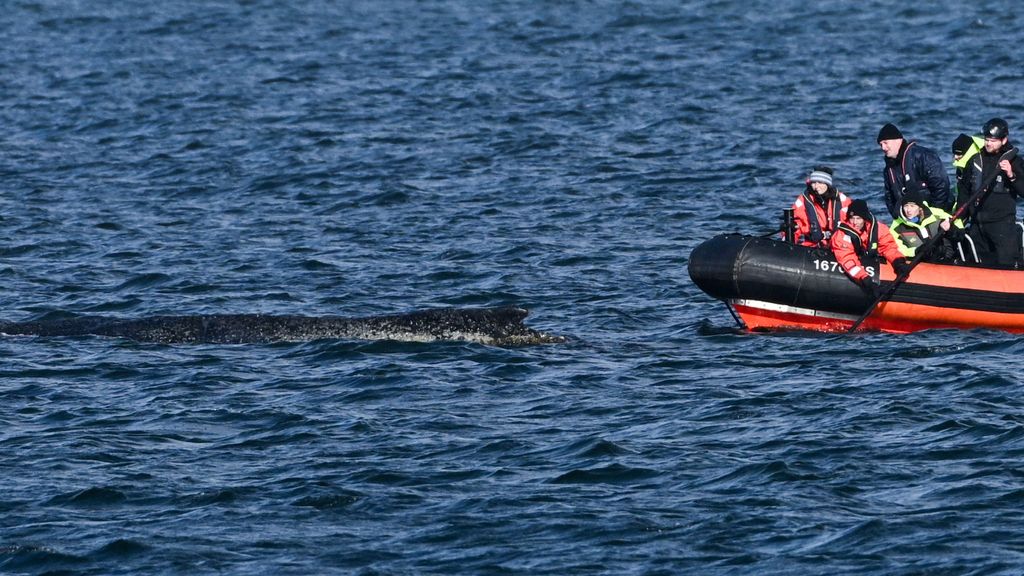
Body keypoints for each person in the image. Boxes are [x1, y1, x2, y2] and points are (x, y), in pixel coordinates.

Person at [957, 117, 1024, 268]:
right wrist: (959, 219)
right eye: (986, 139)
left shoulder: (1014, 161)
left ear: (1004, 140)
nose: (988, 143)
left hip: (1001, 224)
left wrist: (1011, 175)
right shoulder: (975, 160)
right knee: (976, 262)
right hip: (977, 224)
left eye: (993, 141)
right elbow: (964, 191)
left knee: (1006, 263)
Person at [831, 199, 910, 296]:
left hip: (870, 259)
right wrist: (867, 281)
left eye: (858, 218)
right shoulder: (841, 236)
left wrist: (899, 263)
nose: (855, 222)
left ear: (865, 218)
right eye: (852, 218)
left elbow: (888, 247)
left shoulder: (879, 229)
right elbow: (847, 260)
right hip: (854, 266)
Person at [877, 123, 952, 218]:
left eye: (885, 143)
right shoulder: (888, 169)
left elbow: (941, 185)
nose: (883, 148)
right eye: (881, 145)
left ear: (898, 140)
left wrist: (932, 214)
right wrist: (898, 217)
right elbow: (889, 198)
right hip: (908, 219)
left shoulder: (923, 156)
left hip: (935, 214)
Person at [889, 189, 964, 262]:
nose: (908, 210)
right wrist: (915, 251)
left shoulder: (936, 214)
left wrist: (951, 229)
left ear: (920, 207)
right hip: (918, 260)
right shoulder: (897, 226)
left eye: (912, 206)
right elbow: (895, 248)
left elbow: (959, 227)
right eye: (906, 206)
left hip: (945, 258)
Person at [787, 166, 851, 248]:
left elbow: (854, 223)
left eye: (820, 182)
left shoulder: (843, 200)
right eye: (813, 183)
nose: (816, 186)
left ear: (827, 184)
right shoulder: (802, 201)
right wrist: (788, 242)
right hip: (811, 245)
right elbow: (796, 224)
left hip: (838, 245)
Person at [951, 133, 984, 204]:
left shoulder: (978, 162)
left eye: (959, 154)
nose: (955, 157)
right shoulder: (961, 165)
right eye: (954, 154)